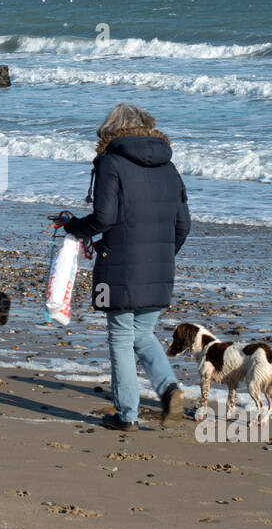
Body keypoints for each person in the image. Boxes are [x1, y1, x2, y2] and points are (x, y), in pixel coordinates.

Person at [56, 103, 191, 431]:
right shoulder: (169, 167)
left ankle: (126, 414)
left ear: (112, 129)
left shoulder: (110, 162)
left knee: (120, 336)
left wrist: (73, 227)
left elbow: (104, 217)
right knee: (143, 333)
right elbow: (183, 224)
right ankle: (169, 388)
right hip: (160, 268)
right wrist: (163, 256)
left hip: (116, 263)